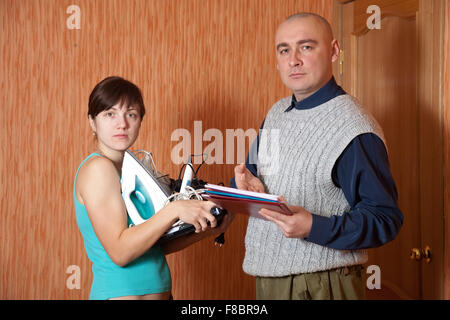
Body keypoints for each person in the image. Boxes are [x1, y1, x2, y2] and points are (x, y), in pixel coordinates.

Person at [231, 12, 403, 300]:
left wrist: (313, 226)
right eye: (284, 50)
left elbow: (385, 219)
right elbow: (253, 182)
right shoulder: (276, 113)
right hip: (268, 279)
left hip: (323, 284)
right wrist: (245, 190)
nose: (293, 59)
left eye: (306, 47)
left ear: (334, 51)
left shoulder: (354, 128)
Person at [74, 76, 233, 300]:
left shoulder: (132, 172)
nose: (122, 124)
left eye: (131, 114)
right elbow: (120, 252)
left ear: (140, 120)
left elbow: (153, 246)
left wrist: (210, 229)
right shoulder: (98, 168)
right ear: (92, 121)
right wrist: (175, 210)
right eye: (110, 114)